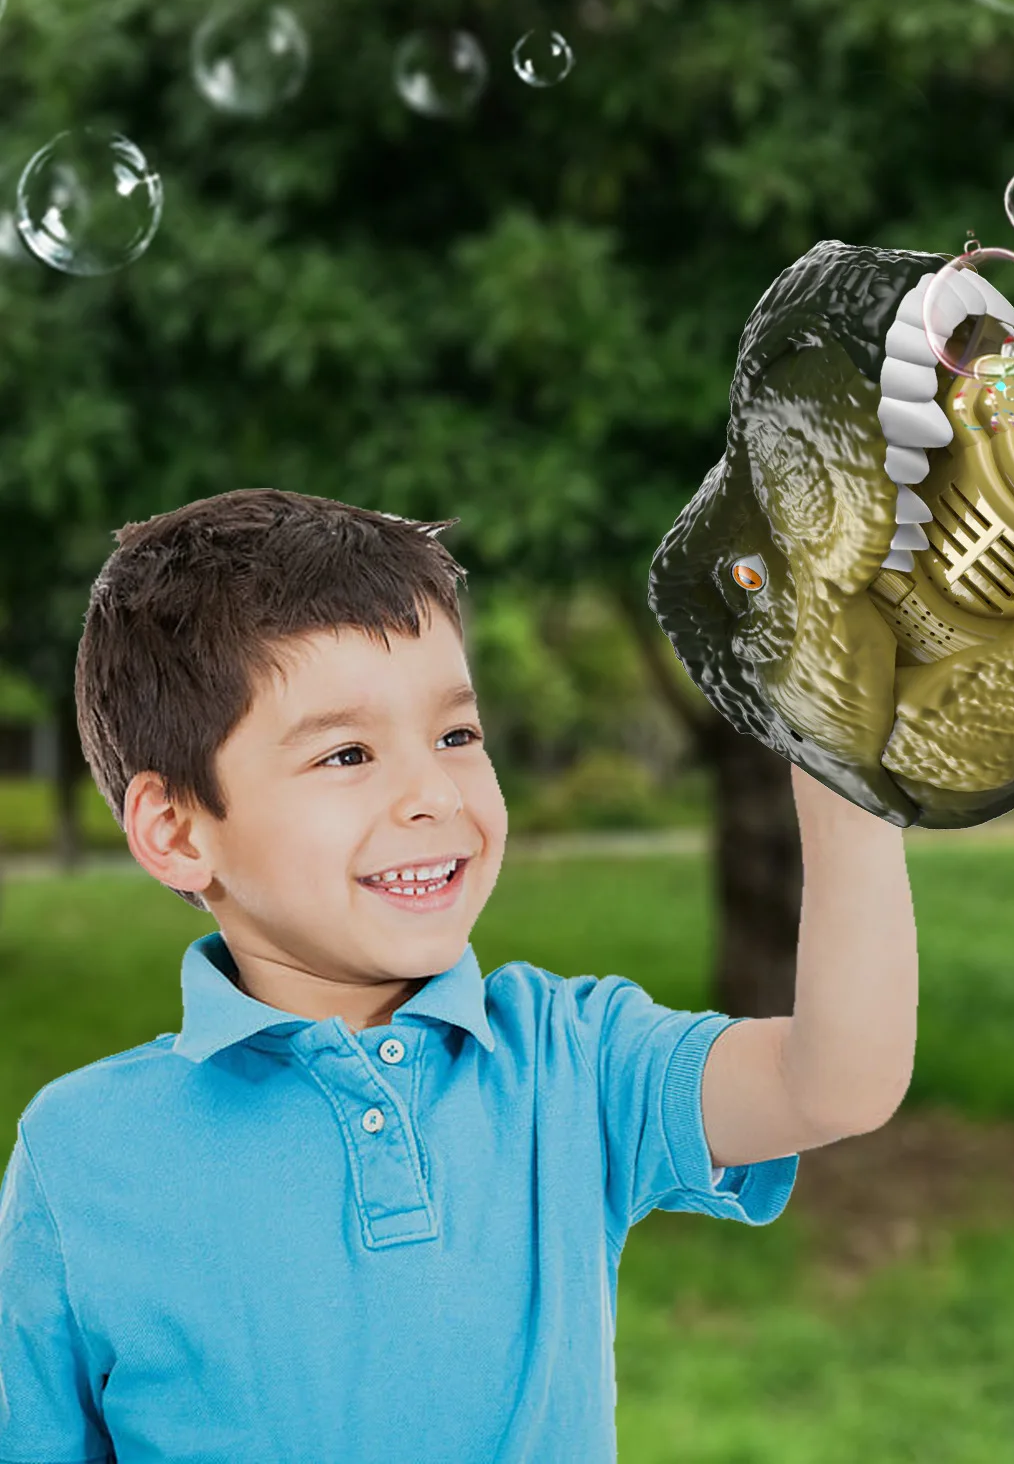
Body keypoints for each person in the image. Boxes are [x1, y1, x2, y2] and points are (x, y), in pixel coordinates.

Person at [0, 486, 918, 1462]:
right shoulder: (78, 1156)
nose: (433, 793)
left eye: (456, 735)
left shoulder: (572, 1057)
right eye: (347, 752)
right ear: (177, 832)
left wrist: (841, 769)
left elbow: (835, 1081)